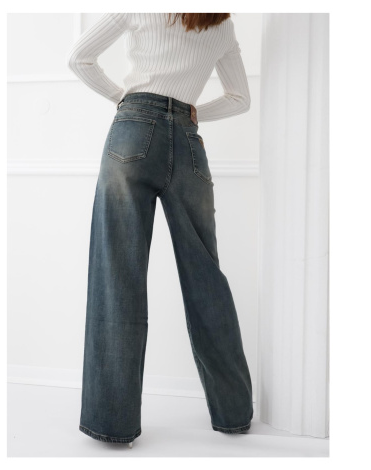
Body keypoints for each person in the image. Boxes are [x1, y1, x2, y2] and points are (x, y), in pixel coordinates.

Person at [67, 12, 253, 446]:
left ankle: (112, 423)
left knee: (117, 277)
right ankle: (234, 414)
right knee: (206, 277)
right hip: (188, 142)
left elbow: (79, 58)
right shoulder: (221, 23)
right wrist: (192, 113)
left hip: (132, 131)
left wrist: (123, 98)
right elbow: (239, 98)